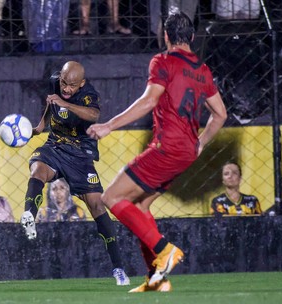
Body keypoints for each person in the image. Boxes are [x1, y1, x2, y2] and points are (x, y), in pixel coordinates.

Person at [87, 12, 227, 292]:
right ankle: (157, 279)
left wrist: (109, 126)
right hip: (185, 151)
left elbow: (149, 100)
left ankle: (165, 250)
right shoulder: (202, 69)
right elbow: (220, 114)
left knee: (111, 197)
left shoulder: (163, 61)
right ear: (192, 37)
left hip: (166, 148)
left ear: (165, 36)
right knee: (140, 205)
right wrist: (199, 143)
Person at [19, 60, 130, 286]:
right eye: (63, 83)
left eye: (71, 85)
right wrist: (40, 128)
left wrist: (65, 103)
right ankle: (29, 214)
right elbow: (51, 104)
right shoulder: (55, 85)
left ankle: (118, 268)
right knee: (37, 169)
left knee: (97, 205)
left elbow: (93, 115)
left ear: (81, 84)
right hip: (56, 146)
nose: (66, 88)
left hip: (80, 155)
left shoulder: (89, 95)